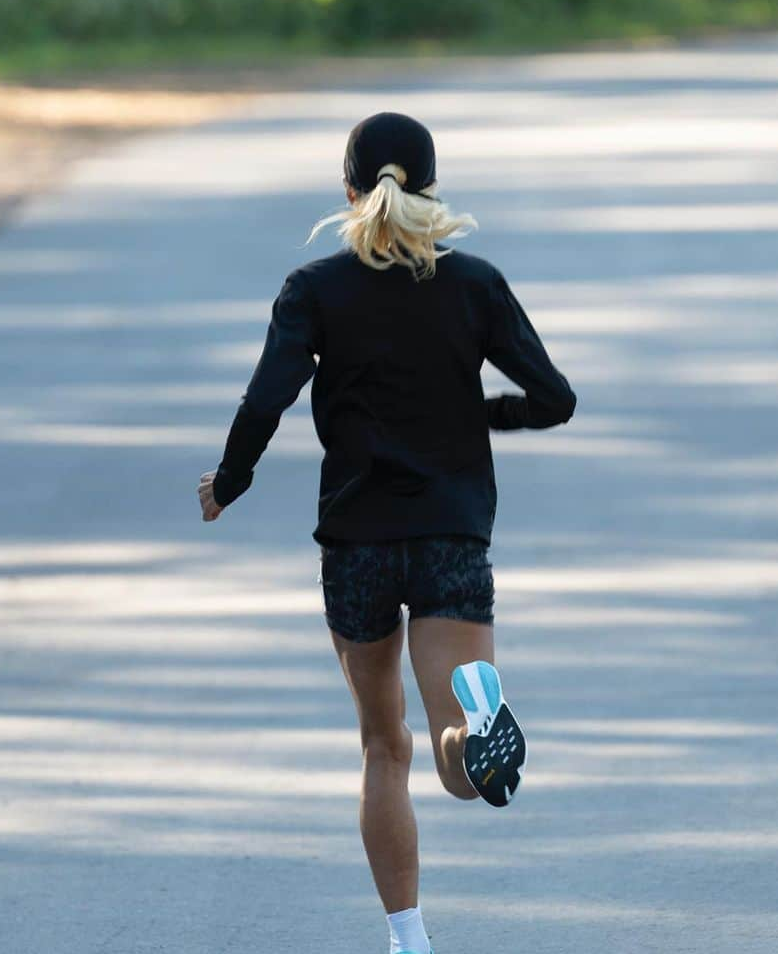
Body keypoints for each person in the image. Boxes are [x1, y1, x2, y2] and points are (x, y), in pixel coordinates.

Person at [197, 111, 576, 954]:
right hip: (450, 534)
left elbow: (268, 399)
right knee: (455, 759)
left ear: (348, 192)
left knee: (382, 744)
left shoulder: (315, 290)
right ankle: (474, 726)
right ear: (434, 190)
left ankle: (409, 938)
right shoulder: (473, 283)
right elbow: (556, 397)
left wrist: (230, 481)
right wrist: (485, 415)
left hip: (359, 542)